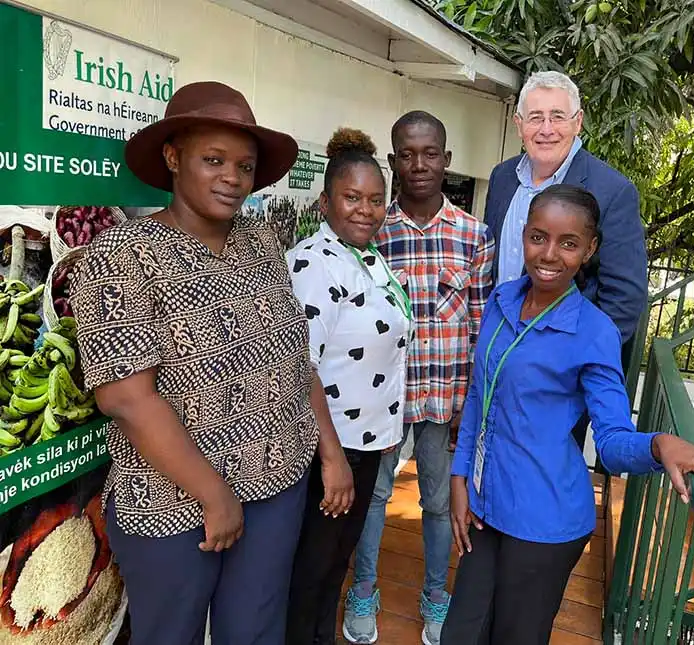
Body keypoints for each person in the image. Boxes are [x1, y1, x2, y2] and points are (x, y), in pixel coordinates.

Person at [70, 81, 354, 645]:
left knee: (254, 631)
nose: (233, 178)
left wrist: (331, 452)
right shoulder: (123, 255)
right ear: (173, 159)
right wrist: (213, 493)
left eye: (244, 167)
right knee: (168, 634)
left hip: (277, 483)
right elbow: (126, 397)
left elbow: (295, 355)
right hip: (173, 502)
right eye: (214, 160)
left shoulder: (261, 242)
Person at [440, 185, 694, 645]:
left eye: (568, 243)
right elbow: (479, 394)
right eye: (539, 237)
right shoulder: (501, 301)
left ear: (590, 249)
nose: (549, 254)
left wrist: (659, 444)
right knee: (461, 633)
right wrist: (460, 477)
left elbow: (613, 441)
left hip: (545, 522)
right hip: (484, 503)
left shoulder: (593, 331)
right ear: (524, 235)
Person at [344, 111, 495, 645]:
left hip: (444, 398)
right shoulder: (371, 231)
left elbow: (479, 325)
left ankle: (436, 594)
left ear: (447, 161)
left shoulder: (476, 237)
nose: (419, 164)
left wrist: (469, 407)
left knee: (437, 501)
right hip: (381, 399)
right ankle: (364, 589)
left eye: (430, 153)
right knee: (373, 498)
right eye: (407, 154)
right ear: (392, 161)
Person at [285, 128, 412, 645]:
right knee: (310, 572)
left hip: (369, 442)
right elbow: (300, 367)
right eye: (352, 198)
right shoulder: (314, 264)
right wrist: (333, 459)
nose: (366, 210)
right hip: (332, 449)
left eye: (376, 199)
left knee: (335, 565)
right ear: (325, 202)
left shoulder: (368, 256)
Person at [483, 71, 649, 452]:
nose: (546, 129)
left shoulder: (612, 191)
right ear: (519, 124)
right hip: (497, 359)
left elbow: (623, 300)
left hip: (558, 378)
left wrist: (574, 366)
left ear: (578, 122)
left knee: (545, 480)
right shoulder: (503, 177)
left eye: (558, 116)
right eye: (535, 117)